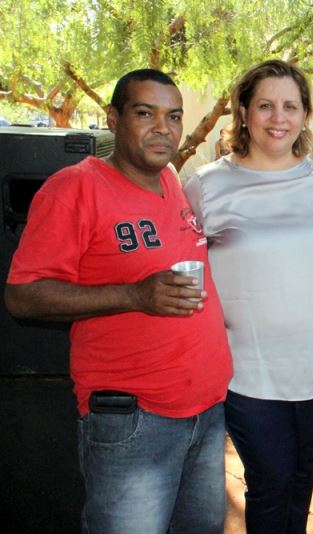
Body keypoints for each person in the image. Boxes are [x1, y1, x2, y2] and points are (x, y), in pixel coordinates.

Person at [4, 69, 233, 533]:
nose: (162, 128)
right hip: (134, 421)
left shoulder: (170, 181)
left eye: (173, 116)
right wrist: (134, 295)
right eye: (144, 113)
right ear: (113, 119)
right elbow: (22, 296)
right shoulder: (75, 188)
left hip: (206, 412)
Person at [183, 59, 313, 534]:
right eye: (264, 105)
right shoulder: (206, 186)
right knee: (271, 480)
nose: (277, 117)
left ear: (305, 114)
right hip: (247, 370)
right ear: (243, 112)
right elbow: (187, 274)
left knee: (303, 474)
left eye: (290, 105)